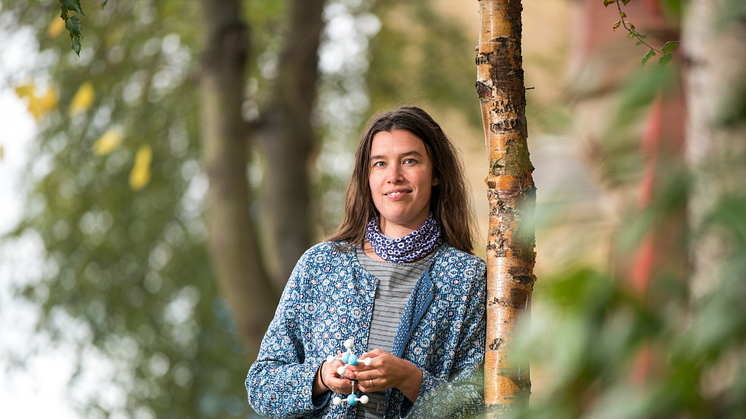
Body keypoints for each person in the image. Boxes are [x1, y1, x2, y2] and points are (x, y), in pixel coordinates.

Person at [246, 106, 486, 418]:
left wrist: (409, 378)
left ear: (437, 173)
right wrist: (320, 378)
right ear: (367, 177)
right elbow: (262, 385)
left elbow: (483, 407)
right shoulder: (319, 266)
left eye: (410, 161)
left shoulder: (468, 277)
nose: (394, 176)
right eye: (380, 164)